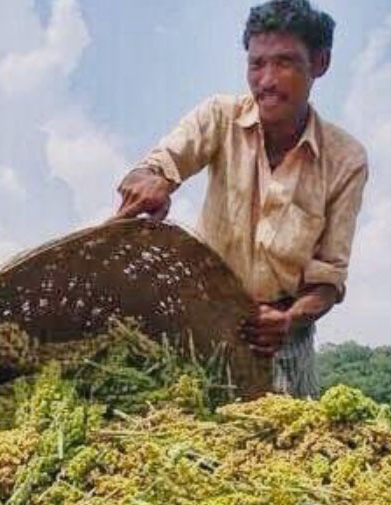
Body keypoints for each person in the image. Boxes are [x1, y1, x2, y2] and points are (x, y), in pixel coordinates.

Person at [113, 0, 367, 398]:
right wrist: (151, 178)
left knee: (286, 448)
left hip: (282, 338)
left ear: (320, 63)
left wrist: (289, 319)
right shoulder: (219, 117)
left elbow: (330, 279)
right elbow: (161, 162)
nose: (266, 79)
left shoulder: (345, 159)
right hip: (202, 321)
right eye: (256, 64)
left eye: (284, 63)